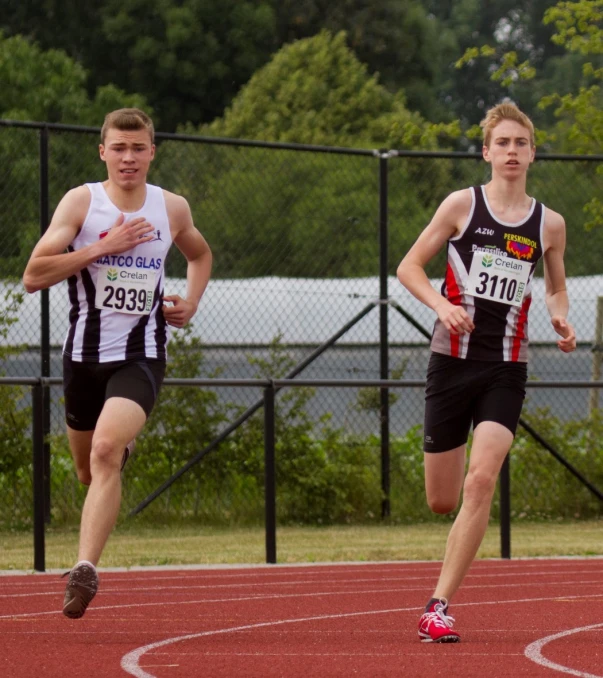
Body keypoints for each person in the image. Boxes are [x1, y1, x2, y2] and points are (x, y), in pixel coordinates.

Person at [22, 108, 212, 619]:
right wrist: (103, 248)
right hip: (82, 357)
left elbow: (200, 254)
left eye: (138, 148)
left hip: (141, 353)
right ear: (102, 151)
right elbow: (34, 275)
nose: (129, 158)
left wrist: (191, 302)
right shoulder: (82, 202)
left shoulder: (171, 207)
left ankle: (84, 568)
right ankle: (115, 454)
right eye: (119, 148)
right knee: (88, 470)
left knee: (106, 450)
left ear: (152, 152)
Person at [397, 102, 576, 643]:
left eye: (521, 143)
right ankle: (442, 581)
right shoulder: (460, 206)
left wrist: (560, 315)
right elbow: (408, 266)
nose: (512, 152)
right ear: (486, 152)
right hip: (451, 360)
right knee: (443, 498)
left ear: (533, 152)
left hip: (506, 366)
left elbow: (556, 284)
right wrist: (440, 305)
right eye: (503, 143)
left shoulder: (550, 223)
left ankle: (438, 606)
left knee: (482, 480)